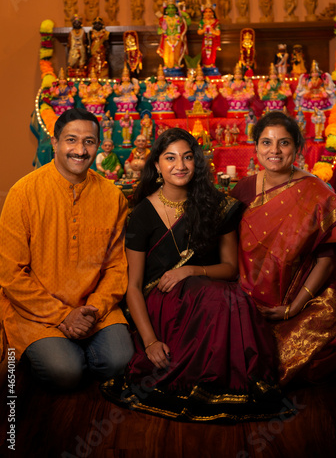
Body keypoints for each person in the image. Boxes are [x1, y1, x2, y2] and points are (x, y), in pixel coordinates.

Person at [101, 128, 292, 423]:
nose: (180, 165)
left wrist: (190, 270)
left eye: (188, 157)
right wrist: (150, 341)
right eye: (170, 158)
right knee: (217, 299)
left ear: (197, 162)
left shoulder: (215, 205)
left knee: (234, 298)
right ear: (157, 166)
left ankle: (239, 384)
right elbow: (135, 287)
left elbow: (230, 269)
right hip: (161, 301)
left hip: (207, 289)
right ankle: (211, 382)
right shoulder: (141, 214)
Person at [0, 108, 134, 390]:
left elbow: (117, 267)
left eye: (89, 141)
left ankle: (76, 345)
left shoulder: (112, 196)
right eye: (71, 140)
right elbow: (11, 274)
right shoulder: (23, 194)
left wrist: (93, 309)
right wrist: (63, 315)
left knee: (120, 361)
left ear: (98, 145)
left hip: (94, 309)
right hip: (35, 311)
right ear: (55, 143)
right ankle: (57, 351)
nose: (80, 150)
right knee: (66, 372)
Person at [231, 111, 336, 386]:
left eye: (284, 143)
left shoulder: (318, 193)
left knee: (282, 358)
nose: (275, 151)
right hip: (244, 298)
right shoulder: (243, 189)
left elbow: (327, 260)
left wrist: (292, 308)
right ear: (255, 146)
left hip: (298, 299)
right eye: (266, 142)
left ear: (297, 148)